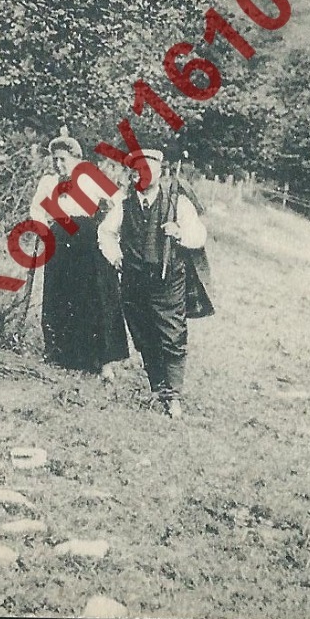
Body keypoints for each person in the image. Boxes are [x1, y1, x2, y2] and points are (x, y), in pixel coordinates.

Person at [98, 148, 213, 418]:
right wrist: (115, 256)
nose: (142, 175)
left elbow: (199, 235)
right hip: (134, 280)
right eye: (137, 170)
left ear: (160, 172)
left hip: (168, 278)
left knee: (172, 334)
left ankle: (173, 397)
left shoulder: (177, 202)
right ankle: (158, 387)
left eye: (148, 169)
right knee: (144, 334)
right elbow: (106, 232)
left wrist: (179, 232)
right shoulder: (124, 202)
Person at [28, 136, 131, 377]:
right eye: (55, 159)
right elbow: (36, 209)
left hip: (88, 239)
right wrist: (44, 228)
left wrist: (106, 230)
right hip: (59, 239)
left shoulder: (89, 177)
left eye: (63, 159)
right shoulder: (48, 181)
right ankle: (62, 354)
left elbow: (118, 202)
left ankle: (102, 360)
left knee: (94, 295)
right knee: (59, 293)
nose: (59, 164)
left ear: (76, 159)